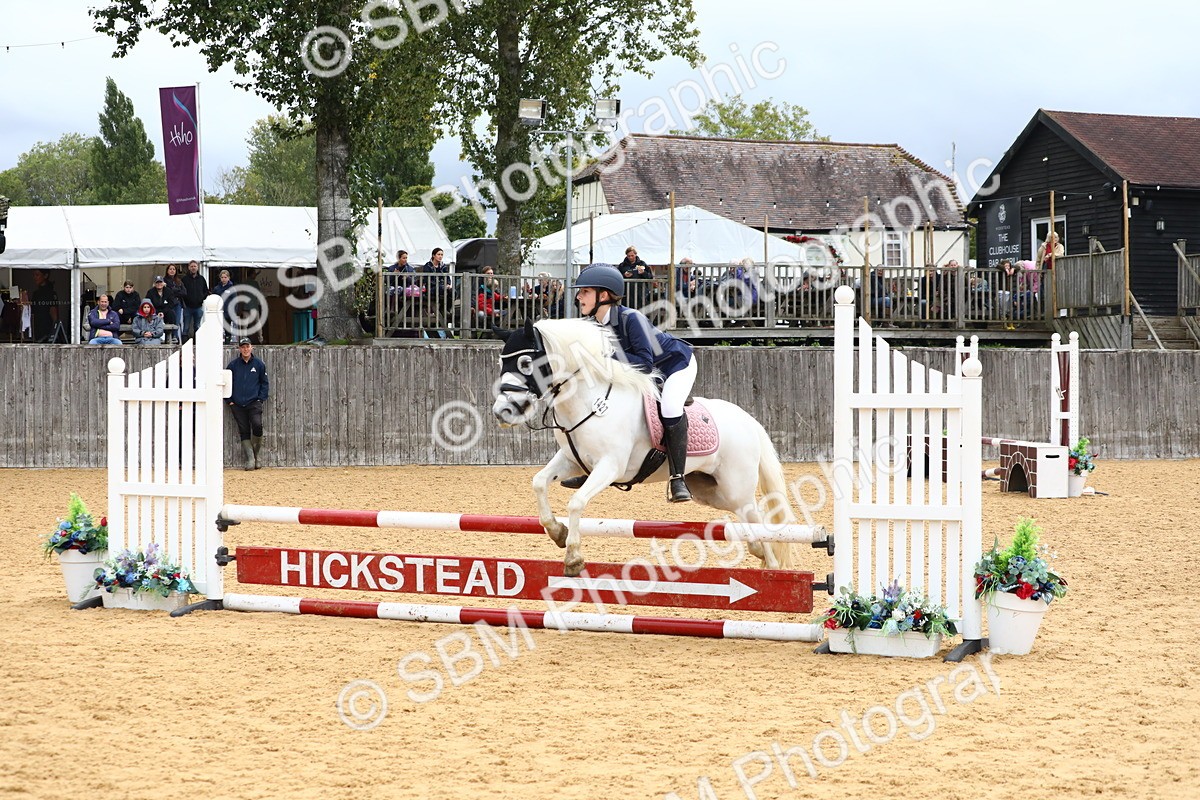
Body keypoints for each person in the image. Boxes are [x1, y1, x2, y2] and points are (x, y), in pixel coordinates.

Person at [567, 264, 697, 503]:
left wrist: (603, 355)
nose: (578, 296)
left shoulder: (631, 318)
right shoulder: (594, 325)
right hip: (643, 371)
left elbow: (646, 364)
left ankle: (678, 478)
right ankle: (590, 469)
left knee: (669, 408)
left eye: (584, 291)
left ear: (603, 295)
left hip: (675, 365)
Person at [226, 338, 269, 470]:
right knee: (243, 430)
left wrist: (260, 398)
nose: (245, 349)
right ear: (239, 349)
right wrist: (230, 401)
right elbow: (227, 383)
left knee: (257, 425)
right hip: (237, 404)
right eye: (243, 347)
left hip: (254, 402)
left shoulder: (259, 364)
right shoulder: (233, 365)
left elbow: (264, 383)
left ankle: (257, 455)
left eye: (247, 346)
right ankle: (250, 459)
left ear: (251, 347)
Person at [421, 247, 454, 338]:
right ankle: (439, 308)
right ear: (433, 255)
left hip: (442, 287)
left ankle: (448, 308)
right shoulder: (427, 266)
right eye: (438, 254)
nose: (440, 256)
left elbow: (447, 278)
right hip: (431, 288)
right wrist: (441, 284)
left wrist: (448, 284)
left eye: (442, 255)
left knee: (452, 290)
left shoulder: (443, 266)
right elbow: (428, 280)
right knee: (442, 288)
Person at [180, 260, 209, 341]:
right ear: (189, 267)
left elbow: (206, 290)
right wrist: (186, 299)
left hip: (198, 307)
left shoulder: (201, 279)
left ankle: (197, 343)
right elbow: (181, 291)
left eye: (195, 266)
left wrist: (202, 298)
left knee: (197, 326)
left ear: (197, 267)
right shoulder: (184, 279)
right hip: (187, 307)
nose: (193, 268)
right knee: (186, 327)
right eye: (191, 266)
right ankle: (184, 344)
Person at [29, 268, 59, 342]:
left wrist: (55, 329)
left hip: (47, 327)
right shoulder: (36, 294)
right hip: (37, 327)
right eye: (34, 275)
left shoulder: (51, 293)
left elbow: (53, 311)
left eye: (37, 275)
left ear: (45, 276)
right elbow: (32, 310)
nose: (35, 277)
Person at [211, 269, 237, 341]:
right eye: (222, 277)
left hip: (228, 311)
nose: (224, 279)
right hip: (219, 311)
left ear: (228, 278)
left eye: (225, 277)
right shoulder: (217, 288)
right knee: (218, 327)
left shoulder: (232, 288)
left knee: (227, 327)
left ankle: (228, 341)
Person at [164, 263, 186, 343]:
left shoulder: (179, 281)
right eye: (170, 269)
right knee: (170, 320)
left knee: (177, 321)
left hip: (178, 304)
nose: (172, 271)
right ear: (167, 271)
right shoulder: (164, 280)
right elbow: (167, 292)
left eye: (174, 269)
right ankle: (169, 337)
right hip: (169, 304)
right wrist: (176, 290)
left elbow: (184, 292)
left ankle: (175, 336)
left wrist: (174, 290)